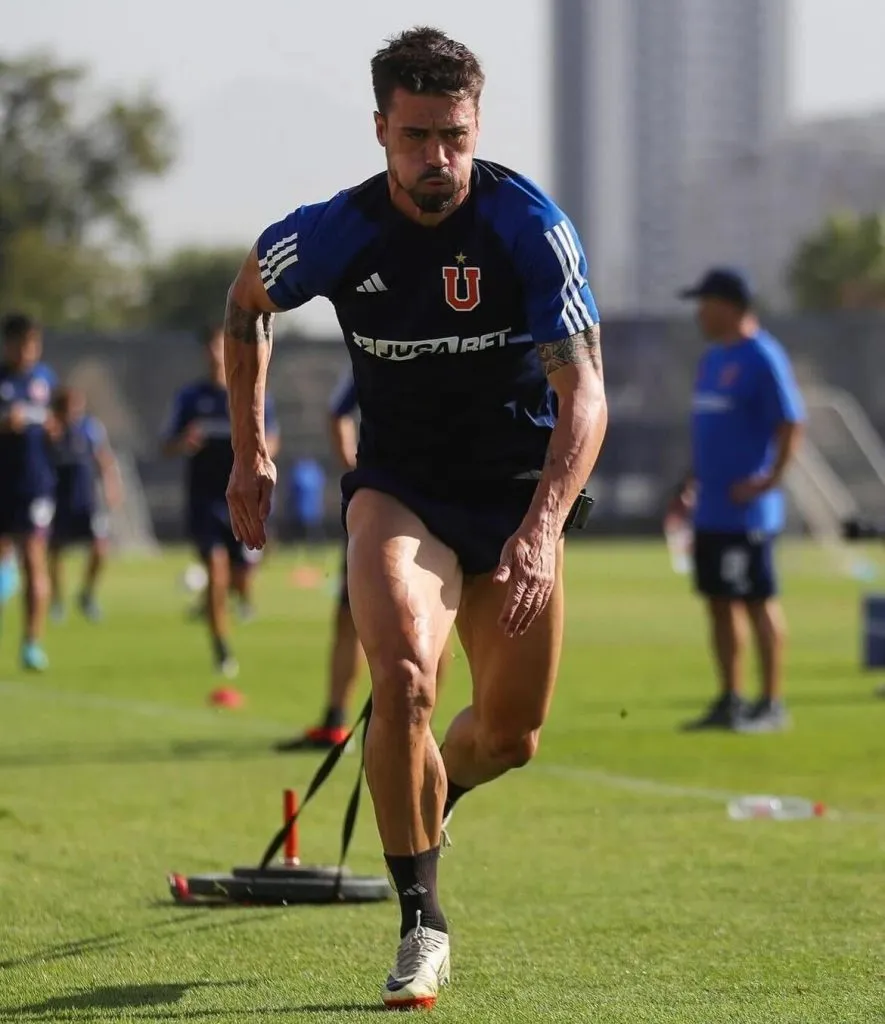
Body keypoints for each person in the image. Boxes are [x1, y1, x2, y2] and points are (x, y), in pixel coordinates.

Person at [221, 28, 607, 1008]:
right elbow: (246, 302)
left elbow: (587, 394)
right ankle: (422, 919)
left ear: (477, 127)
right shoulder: (337, 231)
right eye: (419, 136)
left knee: (512, 733)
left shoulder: (532, 227)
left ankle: (434, 802)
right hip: (402, 489)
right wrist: (250, 446)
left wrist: (544, 526)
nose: (439, 159)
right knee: (400, 678)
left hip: (519, 496)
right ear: (382, 129)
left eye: (456, 137)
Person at [275, 369, 452, 753]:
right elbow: (336, 412)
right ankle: (336, 720)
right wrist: (359, 473)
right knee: (350, 614)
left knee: (437, 623)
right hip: (383, 507)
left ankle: (420, 727)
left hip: (446, 503)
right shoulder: (374, 343)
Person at [672, 268, 805, 733]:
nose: (699, 313)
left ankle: (771, 703)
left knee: (757, 600)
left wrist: (768, 481)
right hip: (711, 509)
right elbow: (710, 431)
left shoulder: (762, 356)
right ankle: (730, 698)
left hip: (747, 512)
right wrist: (690, 481)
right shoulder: (712, 359)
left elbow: (791, 422)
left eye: (704, 302)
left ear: (729, 304)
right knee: (719, 602)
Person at [163, 324, 280, 677]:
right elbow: (166, 445)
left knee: (242, 575)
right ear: (205, 352)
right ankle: (221, 648)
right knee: (215, 573)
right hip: (205, 501)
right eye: (212, 347)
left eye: (223, 346)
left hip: (243, 500)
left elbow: (271, 440)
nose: (218, 353)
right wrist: (185, 441)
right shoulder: (190, 398)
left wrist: (258, 456)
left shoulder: (252, 392)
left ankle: (233, 601)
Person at [0, 313, 57, 671]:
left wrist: (53, 427)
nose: (27, 351)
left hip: (36, 485)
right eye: (21, 344)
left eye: (33, 345)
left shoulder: (46, 380)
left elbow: (58, 424)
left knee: (35, 557)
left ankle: (32, 643)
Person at [47, 386, 123, 622]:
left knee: (100, 547)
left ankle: (87, 594)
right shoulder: (51, 430)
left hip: (87, 500)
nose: (74, 411)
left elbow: (104, 459)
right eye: (70, 406)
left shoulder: (90, 428)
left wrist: (112, 486)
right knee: (55, 550)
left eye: (78, 405)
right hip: (58, 499)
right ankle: (58, 600)